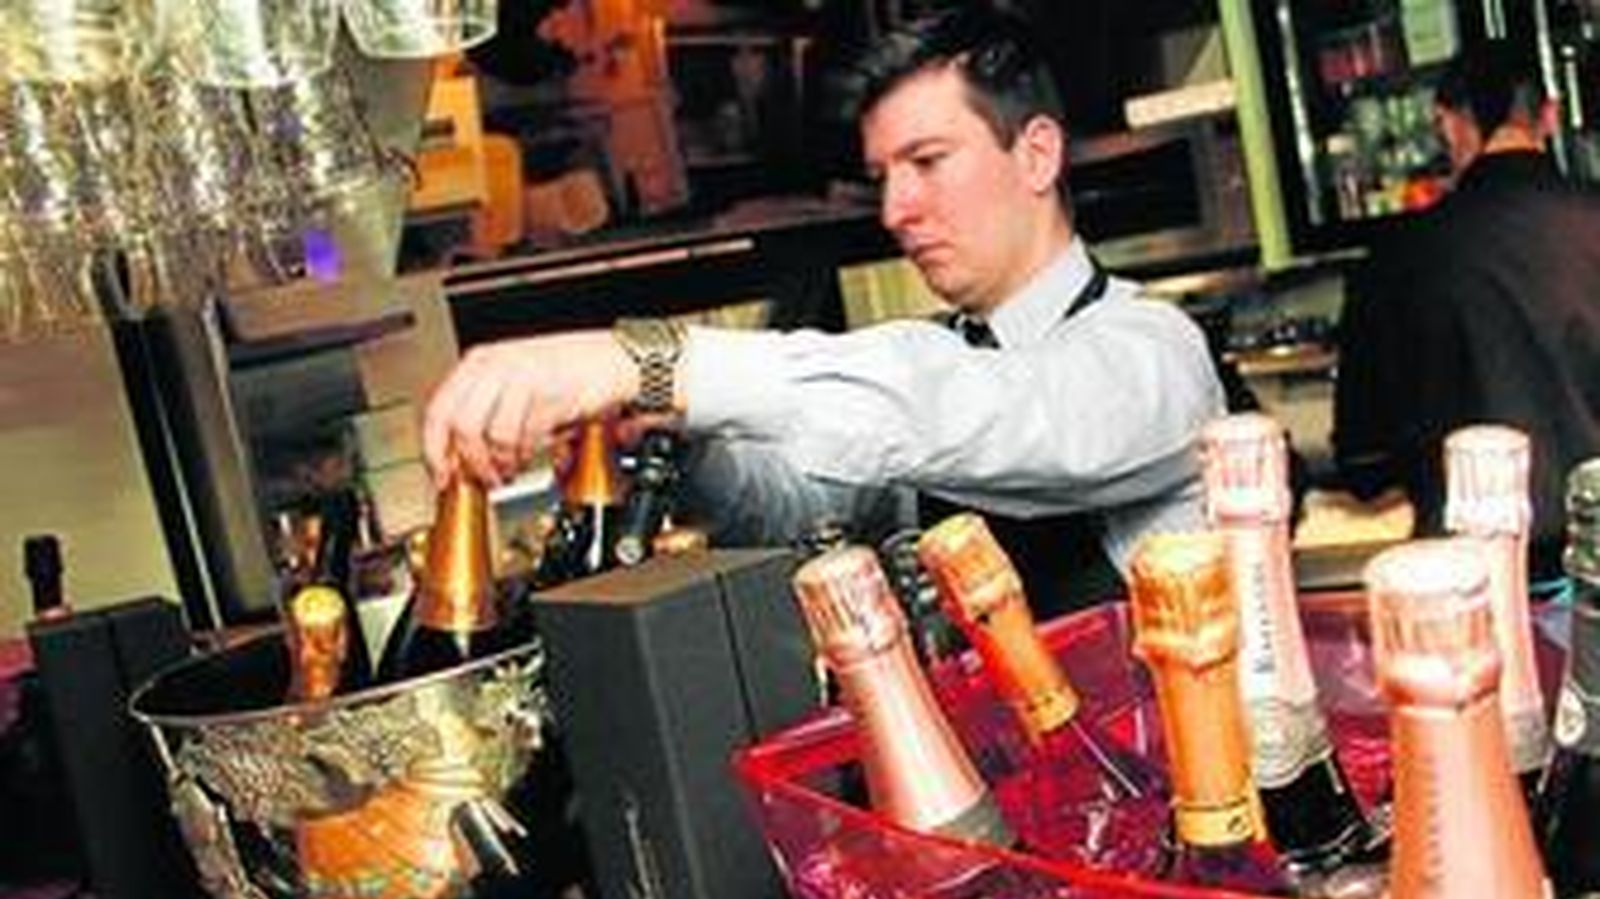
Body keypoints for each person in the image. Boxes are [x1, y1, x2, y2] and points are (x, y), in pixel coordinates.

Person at [423, 4, 1223, 616]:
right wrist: (679, 442)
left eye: (927, 161)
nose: (896, 210)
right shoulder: (932, 370)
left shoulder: (1154, 352)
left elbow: (983, 411)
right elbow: (793, 502)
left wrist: (650, 361)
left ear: (1037, 153)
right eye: (883, 176)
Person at [1334, 41, 1600, 579]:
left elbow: (1363, 462)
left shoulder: (1395, 257)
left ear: (1450, 123)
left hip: (1472, 579)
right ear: (1549, 115)